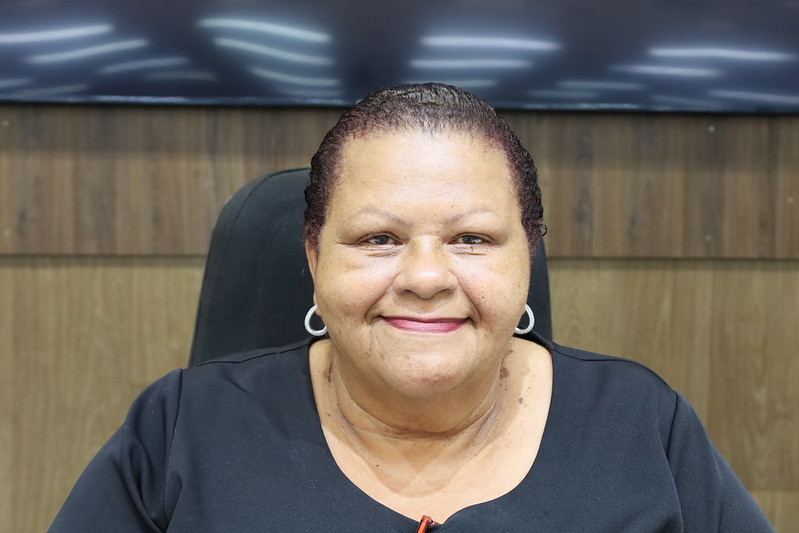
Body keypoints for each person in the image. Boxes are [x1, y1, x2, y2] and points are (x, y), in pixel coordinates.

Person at [50, 83, 773, 532]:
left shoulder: (644, 425)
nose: (425, 276)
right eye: (379, 238)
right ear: (315, 257)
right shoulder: (181, 427)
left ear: (527, 257)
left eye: (471, 238)